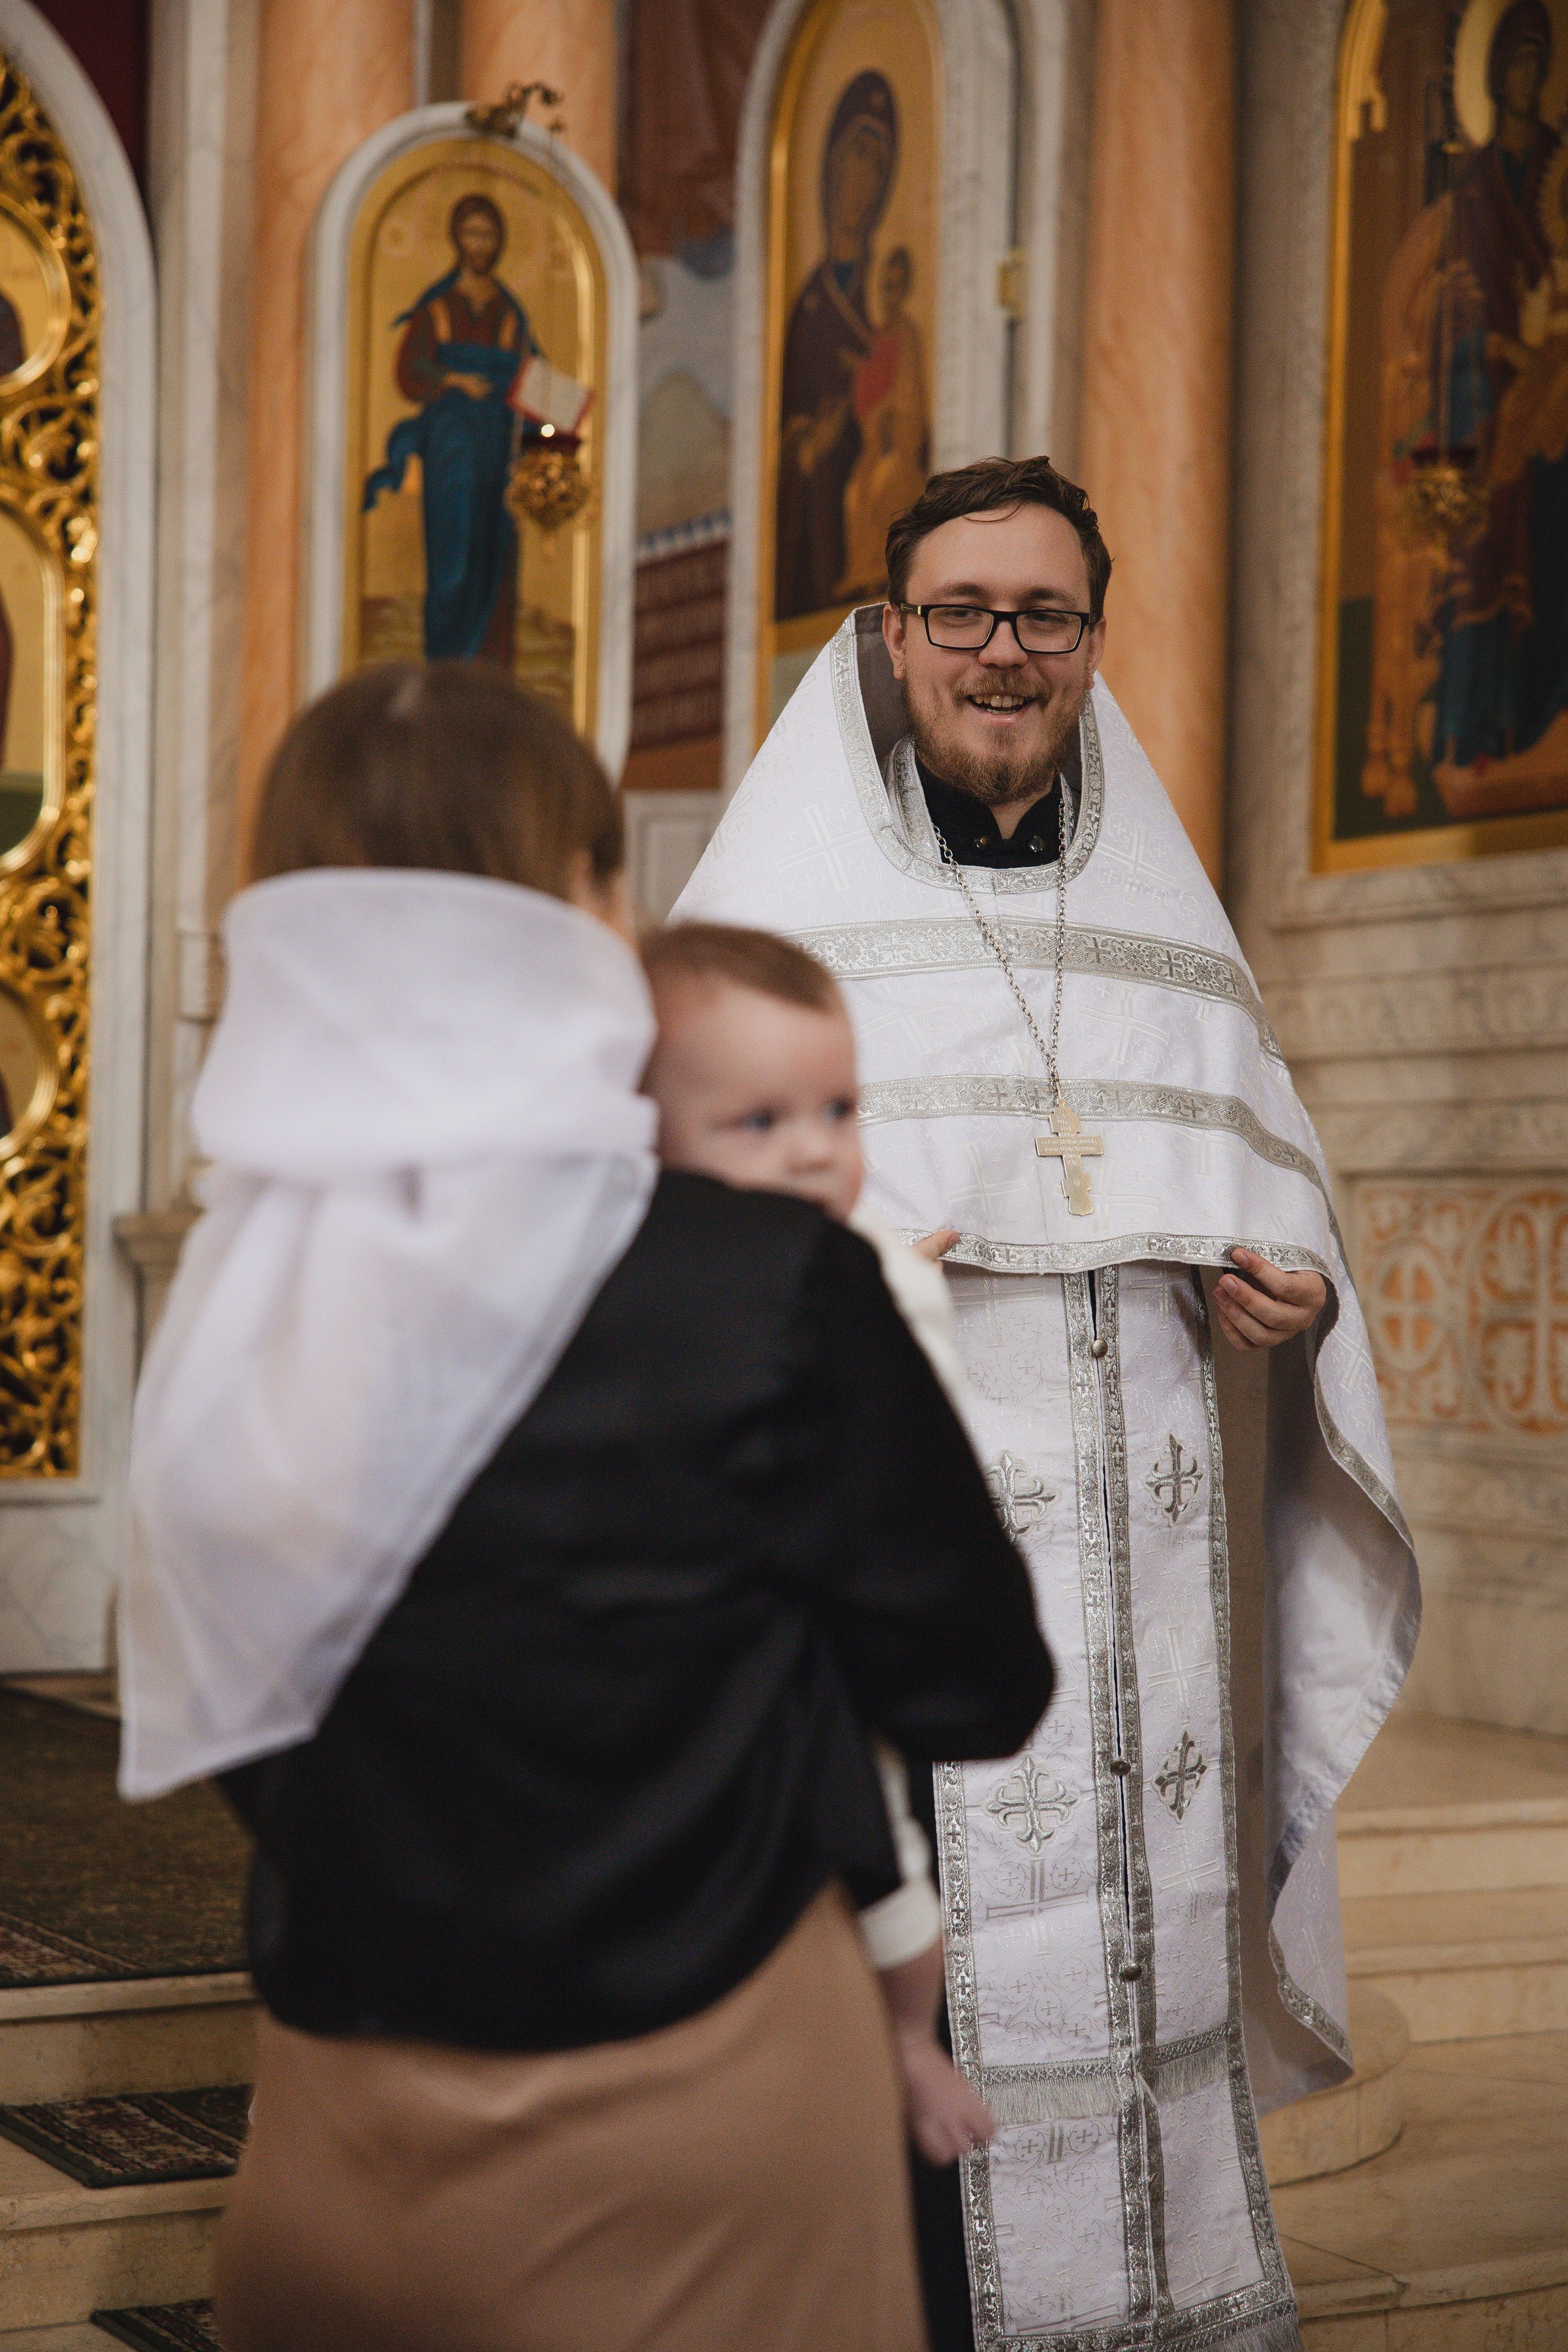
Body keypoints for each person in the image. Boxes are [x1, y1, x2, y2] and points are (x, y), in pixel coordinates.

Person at [119, 661, 1055, 2352]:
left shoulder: (242, 1305)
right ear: (585, 908)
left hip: (333, 2148)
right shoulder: (767, 1279)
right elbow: (979, 1686)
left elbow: (247, 1717)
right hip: (691, 2140)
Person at [675, 456, 1420, 2352]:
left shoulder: (1161, 914)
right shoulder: (780, 908)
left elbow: (1265, 1184)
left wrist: (1296, 1290)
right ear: (890, 632)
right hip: (908, 1592)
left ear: (1089, 637)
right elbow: (674, 1251)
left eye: (1044, 615)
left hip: (1154, 1598)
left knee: (1142, 1953)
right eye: (961, 613)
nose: (1002, 652)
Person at [641, 918, 989, 2166]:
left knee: (892, 1880)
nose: (809, 1154)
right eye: (757, 1124)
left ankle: (908, 2044)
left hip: (829, 1649)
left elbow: (921, 1488)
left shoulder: (873, 1277)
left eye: (837, 1114)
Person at [363, 194, 539, 665]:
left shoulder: (509, 314)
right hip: (452, 451)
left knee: (494, 559)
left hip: (500, 453)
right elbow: (409, 370)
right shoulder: (437, 309)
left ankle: (486, 672)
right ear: (456, 240)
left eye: (489, 234)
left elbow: (534, 377)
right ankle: (444, 666)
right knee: (454, 560)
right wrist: (454, 379)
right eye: (473, 234)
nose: (481, 245)